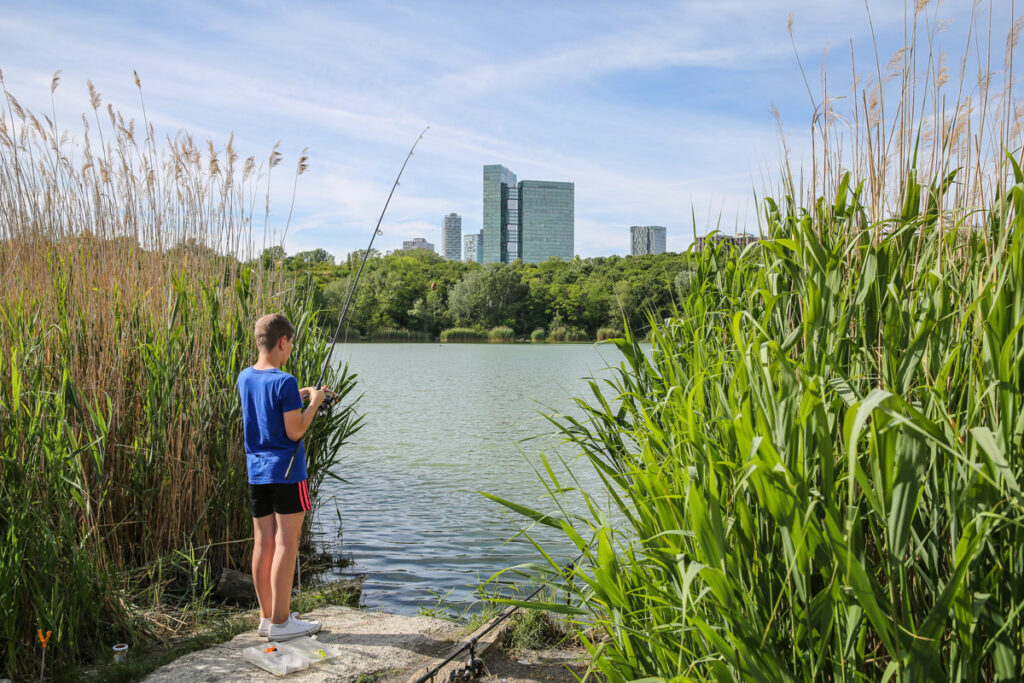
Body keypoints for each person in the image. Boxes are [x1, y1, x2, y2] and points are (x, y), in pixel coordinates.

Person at [237, 313, 329, 641]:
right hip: (288, 475)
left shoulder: (245, 377)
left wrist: (300, 394)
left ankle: (265, 618)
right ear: (282, 342)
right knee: (286, 544)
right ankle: (281, 622)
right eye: (290, 344)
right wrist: (315, 402)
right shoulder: (284, 381)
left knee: (263, 542)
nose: (290, 349)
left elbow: (269, 406)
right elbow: (295, 431)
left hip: (257, 473)